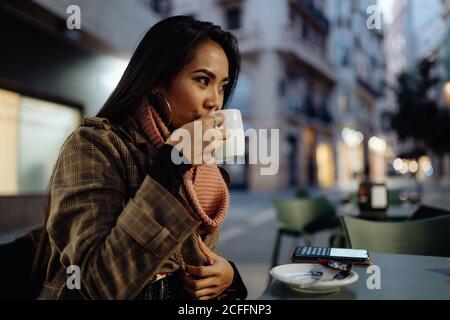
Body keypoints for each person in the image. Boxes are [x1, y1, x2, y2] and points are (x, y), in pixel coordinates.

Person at [31, 15, 247, 300]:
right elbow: (98, 283)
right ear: (157, 81)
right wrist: (172, 166)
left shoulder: (200, 168)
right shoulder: (94, 147)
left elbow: (197, 262)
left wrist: (230, 277)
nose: (215, 101)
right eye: (203, 80)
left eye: (221, 86)